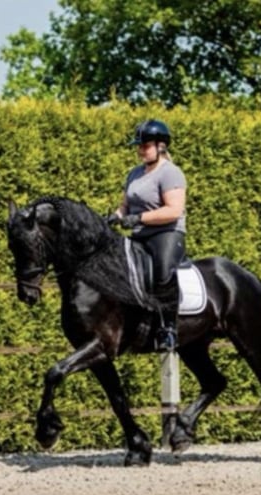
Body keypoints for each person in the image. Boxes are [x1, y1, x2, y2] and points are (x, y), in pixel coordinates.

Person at [108, 119, 187, 352]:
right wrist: (115, 216)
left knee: (163, 273)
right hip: (139, 235)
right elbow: (125, 206)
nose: (140, 150)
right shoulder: (134, 173)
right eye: (139, 146)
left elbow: (174, 210)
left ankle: (169, 330)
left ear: (160, 146)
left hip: (166, 233)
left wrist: (139, 218)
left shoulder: (171, 173)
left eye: (145, 145)